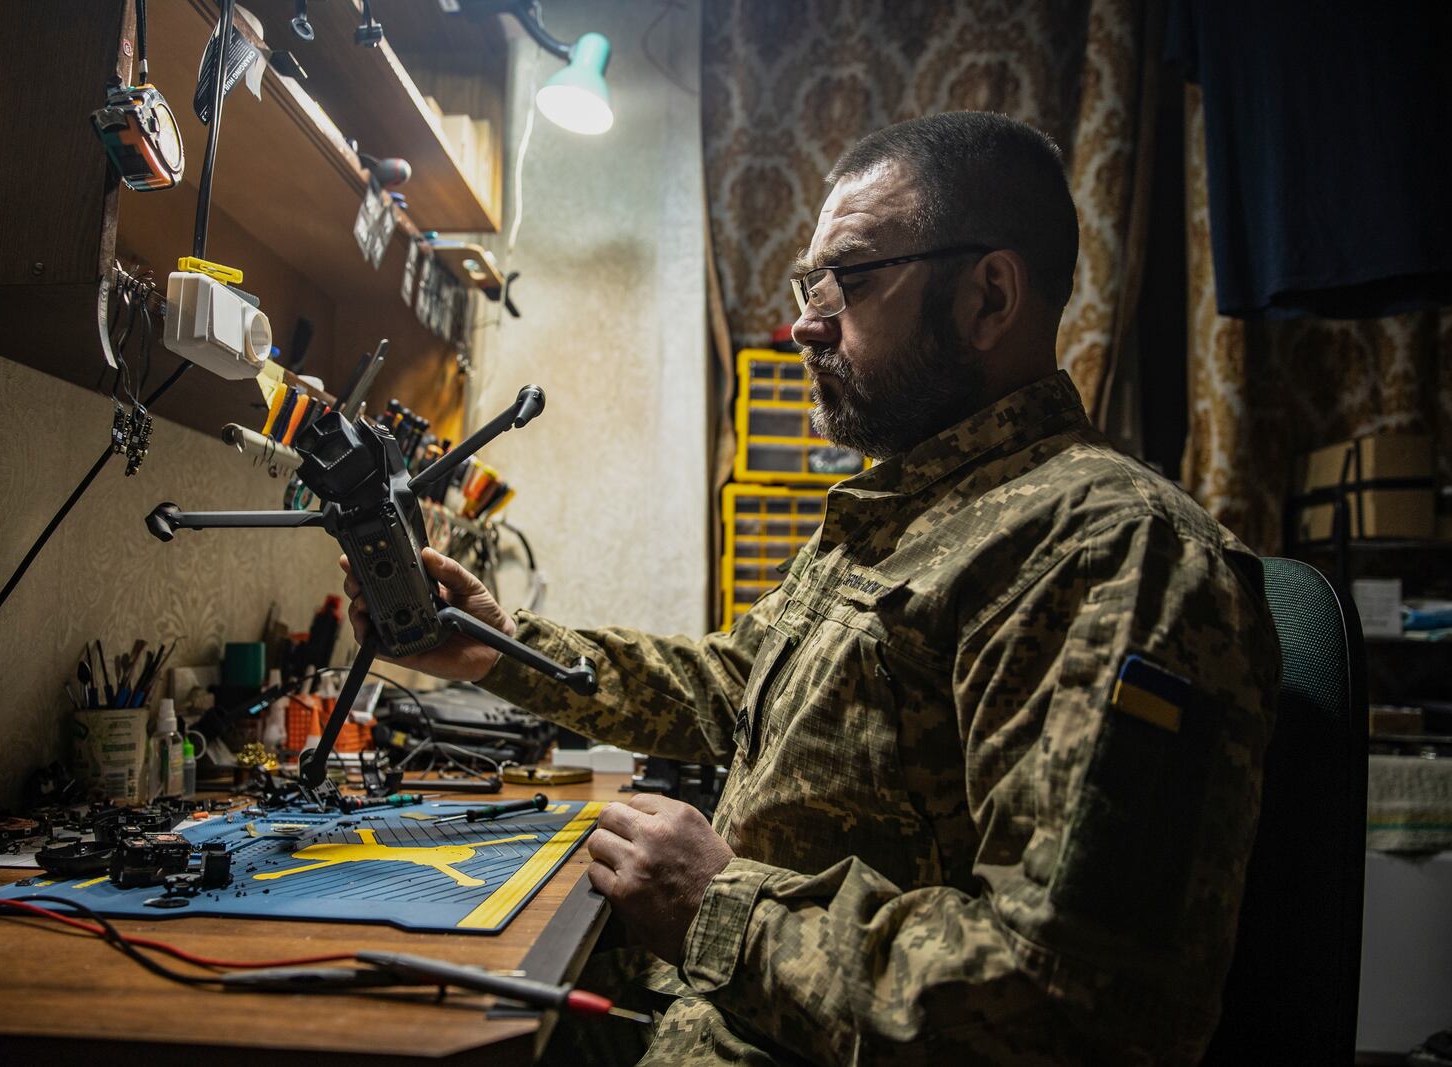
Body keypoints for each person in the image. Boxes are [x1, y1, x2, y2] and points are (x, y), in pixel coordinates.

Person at [341, 112, 1279, 1065]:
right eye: (808, 281)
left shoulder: (1104, 549)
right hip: (709, 1013)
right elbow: (728, 684)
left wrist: (719, 909)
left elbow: (1073, 1007)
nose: (804, 321)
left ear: (989, 296)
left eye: (853, 277)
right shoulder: (906, 507)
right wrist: (497, 643)